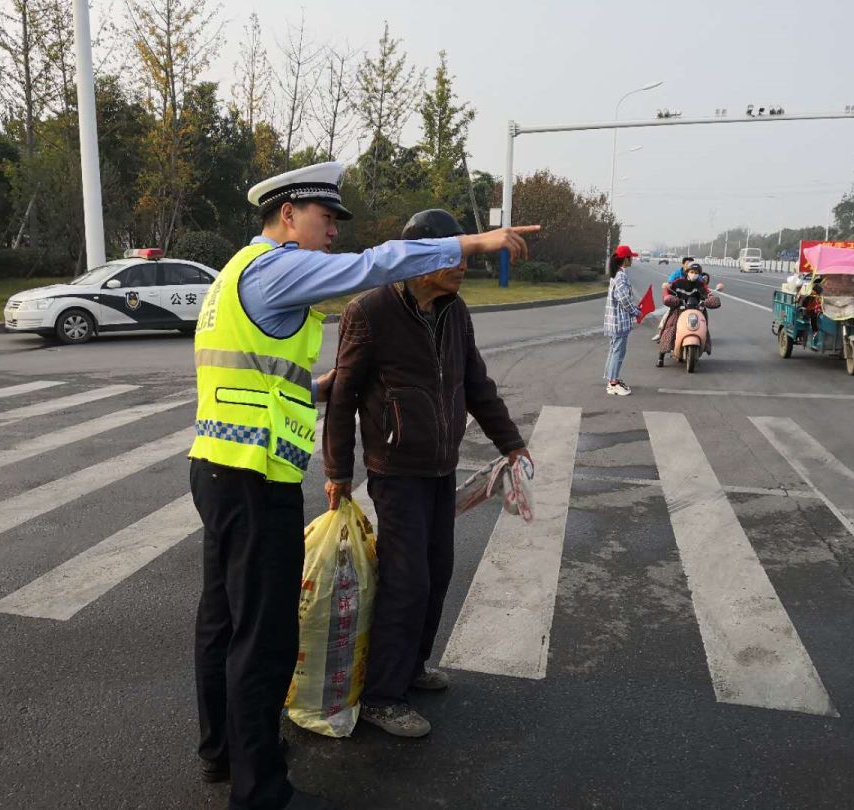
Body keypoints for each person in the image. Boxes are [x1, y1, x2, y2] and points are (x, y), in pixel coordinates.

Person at [188, 162, 539, 810]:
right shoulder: (275, 266)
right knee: (262, 641)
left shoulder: (235, 273)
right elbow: (372, 267)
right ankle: (259, 790)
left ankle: (224, 753)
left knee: (222, 623)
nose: (330, 236)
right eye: (325, 221)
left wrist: (321, 389)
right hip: (253, 478)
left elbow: (261, 377)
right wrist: (472, 243)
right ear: (289, 213)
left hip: (218, 464)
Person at [321, 208, 531, 738]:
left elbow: (476, 383)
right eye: (451, 255)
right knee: (405, 582)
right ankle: (383, 696)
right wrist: (337, 472)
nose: (461, 264)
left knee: (436, 575)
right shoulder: (369, 311)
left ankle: (411, 668)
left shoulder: (455, 312)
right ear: (418, 261)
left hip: (441, 467)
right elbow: (343, 396)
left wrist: (511, 443)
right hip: (394, 471)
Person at [656, 262, 720, 367]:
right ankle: (661, 357)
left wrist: (711, 299)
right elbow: (667, 293)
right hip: (679, 310)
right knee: (670, 327)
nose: (694, 274)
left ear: (699, 274)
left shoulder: (700, 285)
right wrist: (670, 298)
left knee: (704, 327)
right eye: (692, 272)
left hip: (697, 310)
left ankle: (705, 345)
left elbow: (708, 294)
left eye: (696, 272)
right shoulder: (678, 282)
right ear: (687, 272)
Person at [604, 245, 643, 395]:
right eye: (631, 257)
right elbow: (624, 300)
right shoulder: (621, 276)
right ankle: (613, 383)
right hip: (619, 322)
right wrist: (636, 312)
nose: (632, 259)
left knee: (614, 350)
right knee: (618, 352)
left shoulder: (618, 274)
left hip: (615, 321)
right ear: (625, 259)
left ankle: (611, 380)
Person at [652, 257, 695, 342]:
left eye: (691, 264)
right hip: (678, 300)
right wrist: (667, 285)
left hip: (692, 301)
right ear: (683, 264)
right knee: (668, 314)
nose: (689, 266)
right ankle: (661, 333)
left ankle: (704, 334)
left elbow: (703, 285)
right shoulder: (676, 274)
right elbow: (669, 284)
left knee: (702, 314)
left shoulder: (696, 274)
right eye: (688, 263)